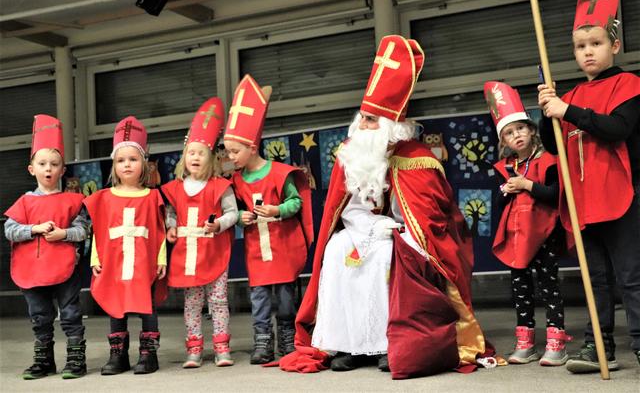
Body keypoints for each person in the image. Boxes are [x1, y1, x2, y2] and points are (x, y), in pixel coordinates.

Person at [278, 35, 496, 379]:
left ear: (391, 127)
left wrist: (391, 229)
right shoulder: (350, 154)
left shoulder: (417, 160)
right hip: (357, 229)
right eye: (362, 119)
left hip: (401, 234)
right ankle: (346, 344)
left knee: (386, 258)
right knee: (335, 252)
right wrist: (364, 228)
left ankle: (385, 345)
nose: (362, 127)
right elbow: (342, 209)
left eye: (371, 121)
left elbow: (431, 219)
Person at [537, 0, 640, 373]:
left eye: (596, 44)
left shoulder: (630, 84)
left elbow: (617, 129)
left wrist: (568, 111)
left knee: (632, 276)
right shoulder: (572, 95)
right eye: (581, 47)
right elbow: (553, 144)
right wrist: (548, 109)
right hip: (583, 200)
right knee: (596, 279)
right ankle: (599, 346)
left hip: (622, 195)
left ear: (614, 45)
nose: (588, 53)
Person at [223, 74, 314, 364]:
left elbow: (296, 202)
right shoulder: (236, 180)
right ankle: (262, 342)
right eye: (227, 152)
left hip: (282, 247)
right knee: (259, 297)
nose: (230, 157)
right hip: (256, 250)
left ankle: (288, 337)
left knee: (285, 296)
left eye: (235, 151)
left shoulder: (279, 173)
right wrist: (240, 216)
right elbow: (231, 210)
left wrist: (277, 210)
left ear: (252, 147)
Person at [485, 81, 570, 366]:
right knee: (521, 290)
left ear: (531, 130)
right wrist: (505, 190)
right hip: (516, 237)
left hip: (544, 233)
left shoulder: (548, 160)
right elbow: (498, 207)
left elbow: (556, 195)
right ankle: (526, 342)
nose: (516, 135)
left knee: (549, 288)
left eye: (520, 128)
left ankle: (556, 343)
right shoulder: (504, 168)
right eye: (509, 133)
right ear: (504, 141)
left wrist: (527, 184)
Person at [3, 115, 88, 380]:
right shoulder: (24, 202)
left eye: (54, 164)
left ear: (63, 170)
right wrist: (34, 229)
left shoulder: (74, 201)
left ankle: (76, 360)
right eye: (42, 164)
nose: (48, 169)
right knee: (40, 316)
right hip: (31, 270)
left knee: (71, 312)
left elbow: (83, 230)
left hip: (65, 268)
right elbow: (9, 230)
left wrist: (64, 233)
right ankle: (44, 361)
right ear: (32, 169)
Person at [83, 116, 167, 375]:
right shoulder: (104, 198)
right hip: (114, 261)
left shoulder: (153, 196)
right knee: (116, 305)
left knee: (146, 305)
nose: (127, 164)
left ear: (144, 163)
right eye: (121, 160)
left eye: (133, 159)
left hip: (144, 261)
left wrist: (161, 259)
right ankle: (118, 355)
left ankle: (148, 354)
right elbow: (99, 231)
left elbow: (159, 231)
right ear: (113, 165)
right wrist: (95, 259)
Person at [162, 98, 238, 368]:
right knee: (192, 303)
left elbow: (233, 213)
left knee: (218, 300)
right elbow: (171, 213)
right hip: (188, 255)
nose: (195, 157)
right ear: (184, 156)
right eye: (191, 152)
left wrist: (219, 224)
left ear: (211, 158)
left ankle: (221, 347)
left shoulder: (221, 186)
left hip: (214, 252)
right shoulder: (174, 187)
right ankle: (194, 348)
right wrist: (171, 227)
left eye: (201, 153)